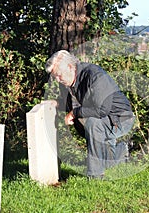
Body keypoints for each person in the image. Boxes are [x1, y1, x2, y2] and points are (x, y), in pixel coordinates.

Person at [45, 50, 135, 179]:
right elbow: (70, 105)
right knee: (108, 162)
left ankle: (95, 176)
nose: (58, 80)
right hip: (104, 118)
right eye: (55, 77)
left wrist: (74, 113)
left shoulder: (95, 75)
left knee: (93, 122)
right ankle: (123, 150)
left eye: (59, 75)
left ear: (70, 67)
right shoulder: (68, 81)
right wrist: (56, 104)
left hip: (120, 118)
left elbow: (101, 110)